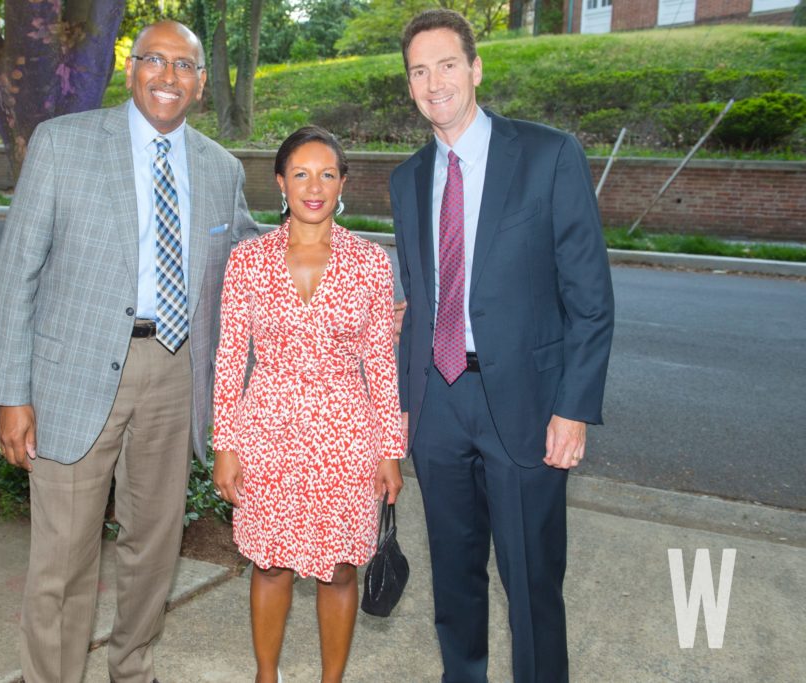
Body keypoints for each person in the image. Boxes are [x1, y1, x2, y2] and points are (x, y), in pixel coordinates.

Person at [0, 20, 260, 683]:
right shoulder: (62, 145)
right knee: (64, 553)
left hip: (174, 373)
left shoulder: (220, 169)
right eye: (155, 61)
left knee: (154, 541)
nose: (169, 75)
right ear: (130, 68)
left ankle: (131, 666)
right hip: (71, 373)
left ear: (198, 84)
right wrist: (11, 393)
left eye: (185, 66)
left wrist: (360, 280)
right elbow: (17, 272)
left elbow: (261, 258)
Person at [392, 10, 615, 683]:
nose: (435, 82)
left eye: (448, 64)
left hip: (525, 403)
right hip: (438, 405)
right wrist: (405, 404)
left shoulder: (549, 155)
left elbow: (590, 298)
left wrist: (573, 408)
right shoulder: (406, 180)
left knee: (532, 582)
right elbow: (419, 301)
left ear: (476, 68)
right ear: (409, 86)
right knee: (454, 582)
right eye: (419, 71)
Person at [213, 126, 404, 683]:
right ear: (280, 183)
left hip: (346, 435)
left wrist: (390, 451)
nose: (313, 186)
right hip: (266, 432)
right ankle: (266, 676)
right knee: (269, 564)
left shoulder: (369, 262)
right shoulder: (248, 261)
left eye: (326, 174)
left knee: (341, 570)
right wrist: (225, 445)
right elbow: (229, 361)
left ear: (343, 183)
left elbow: (380, 365)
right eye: (300, 173)